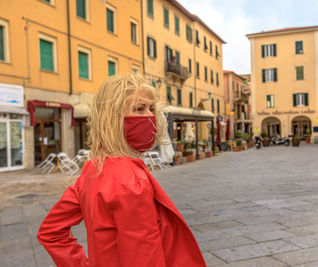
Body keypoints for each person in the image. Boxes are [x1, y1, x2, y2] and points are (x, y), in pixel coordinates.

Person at [37, 74, 206, 267]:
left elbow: (50, 231)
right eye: (139, 109)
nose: (150, 116)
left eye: (151, 109)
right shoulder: (132, 180)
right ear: (113, 118)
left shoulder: (93, 169)